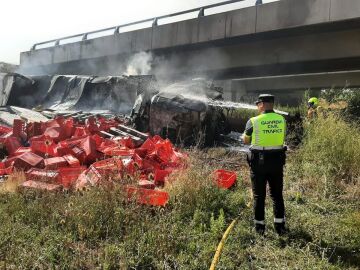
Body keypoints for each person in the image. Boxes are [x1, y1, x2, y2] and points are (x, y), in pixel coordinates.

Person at [242, 94, 287, 235]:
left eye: (258, 104)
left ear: (261, 104)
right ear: (272, 103)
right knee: (277, 195)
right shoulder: (282, 120)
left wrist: (246, 136)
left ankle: (260, 228)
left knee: (258, 196)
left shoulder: (253, 121)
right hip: (277, 163)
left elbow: (246, 140)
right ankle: (280, 227)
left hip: (258, 164)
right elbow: (281, 137)